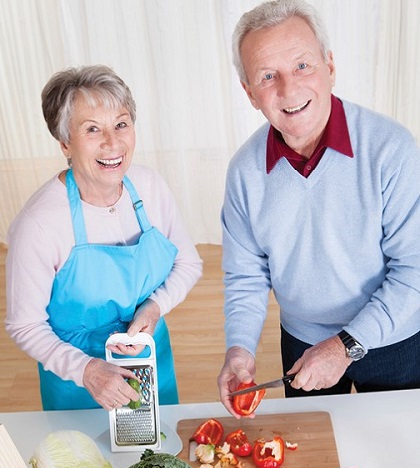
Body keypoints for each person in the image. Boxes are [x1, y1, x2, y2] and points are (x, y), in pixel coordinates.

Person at [218, 0, 420, 417]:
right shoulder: (243, 172)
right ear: (250, 93)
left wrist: (347, 344)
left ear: (330, 65)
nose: (289, 90)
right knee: (315, 463)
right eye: (268, 76)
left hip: (394, 338)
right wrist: (239, 348)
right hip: (302, 341)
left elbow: (414, 271)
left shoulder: (393, 150)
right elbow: (246, 275)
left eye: (303, 66)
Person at [5, 65, 202, 411]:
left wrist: (154, 308)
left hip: (149, 359)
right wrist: (87, 371)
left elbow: (188, 263)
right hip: (77, 381)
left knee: (160, 461)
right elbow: (25, 325)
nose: (112, 143)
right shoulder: (39, 224)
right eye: (92, 129)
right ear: (65, 142)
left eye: (121, 124)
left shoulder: (151, 188)